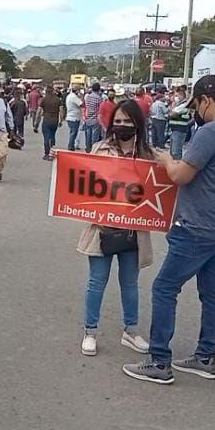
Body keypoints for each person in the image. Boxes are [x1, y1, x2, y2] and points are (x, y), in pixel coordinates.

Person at [122, 75, 215, 385]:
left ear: (206, 100)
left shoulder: (212, 132)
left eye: (196, 105)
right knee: (212, 292)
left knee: (164, 288)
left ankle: (159, 361)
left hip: (197, 226)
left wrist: (168, 158)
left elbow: (181, 175)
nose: (196, 111)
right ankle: (206, 356)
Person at [77, 99, 153, 357]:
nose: (122, 126)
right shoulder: (99, 150)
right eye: (117, 121)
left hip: (134, 231)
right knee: (96, 282)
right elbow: (83, 182)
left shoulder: (148, 156)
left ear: (137, 124)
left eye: (127, 122)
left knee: (130, 284)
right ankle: (90, 331)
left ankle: (131, 331)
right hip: (102, 230)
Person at [38, 85, 64, 161]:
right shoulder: (58, 100)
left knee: (46, 137)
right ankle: (52, 149)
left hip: (46, 120)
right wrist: (61, 120)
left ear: (46, 92)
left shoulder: (44, 99)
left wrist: (36, 123)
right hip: (54, 120)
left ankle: (47, 154)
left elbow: (39, 111)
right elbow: (61, 111)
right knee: (52, 135)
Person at [83, 82, 104, 152]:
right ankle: (93, 150)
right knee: (94, 137)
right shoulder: (99, 98)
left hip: (88, 118)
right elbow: (100, 110)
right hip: (95, 119)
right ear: (98, 89)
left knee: (88, 135)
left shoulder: (87, 97)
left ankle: (87, 148)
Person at [65, 85, 83, 151]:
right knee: (74, 133)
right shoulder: (74, 97)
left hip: (70, 116)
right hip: (74, 117)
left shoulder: (69, 96)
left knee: (72, 132)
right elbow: (81, 104)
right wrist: (81, 97)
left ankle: (71, 145)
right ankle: (70, 146)